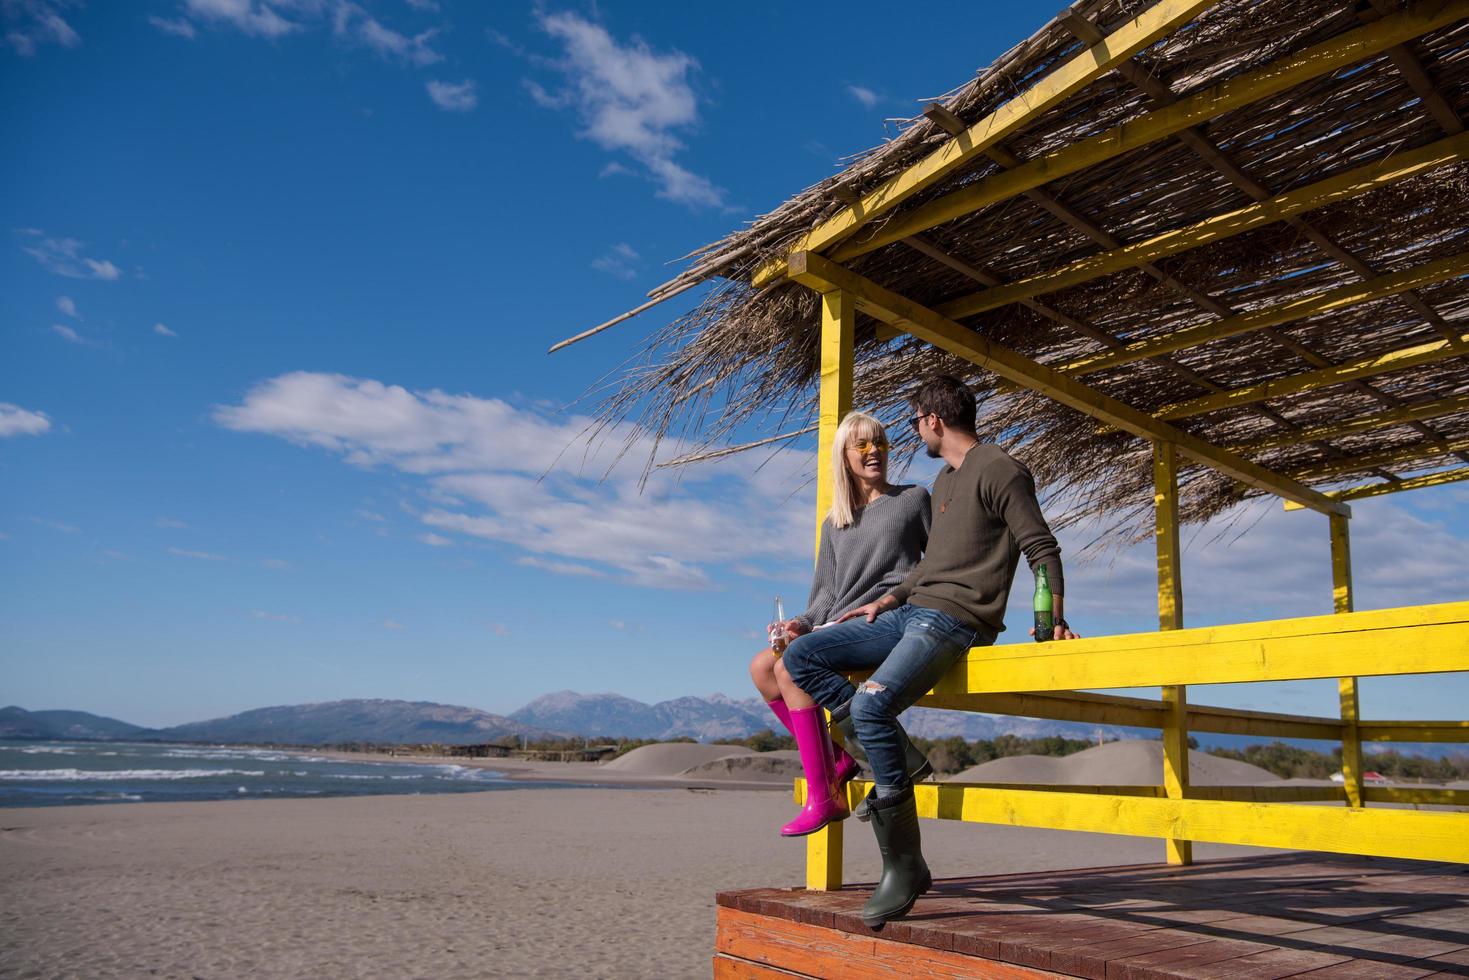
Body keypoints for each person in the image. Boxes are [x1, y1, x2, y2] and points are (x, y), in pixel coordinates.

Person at [778, 375, 1079, 928]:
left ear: (934, 420)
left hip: (957, 619)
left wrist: (1052, 618)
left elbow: (1042, 546)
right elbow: (929, 567)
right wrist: (886, 600)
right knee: (800, 657)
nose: (914, 431)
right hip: (910, 612)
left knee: (869, 705)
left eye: (916, 421)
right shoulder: (944, 481)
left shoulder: (1000, 469)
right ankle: (901, 756)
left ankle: (905, 864)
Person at [748, 410, 931, 838]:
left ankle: (824, 795)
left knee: (788, 665)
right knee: (761, 667)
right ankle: (839, 760)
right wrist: (800, 623)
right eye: (862, 445)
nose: (874, 452)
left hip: (885, 618)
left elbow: (938, 563)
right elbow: (826, 592)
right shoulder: (836, 522)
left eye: (880, 442)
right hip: (835, 626)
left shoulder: (913, 499)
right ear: (844, 456)